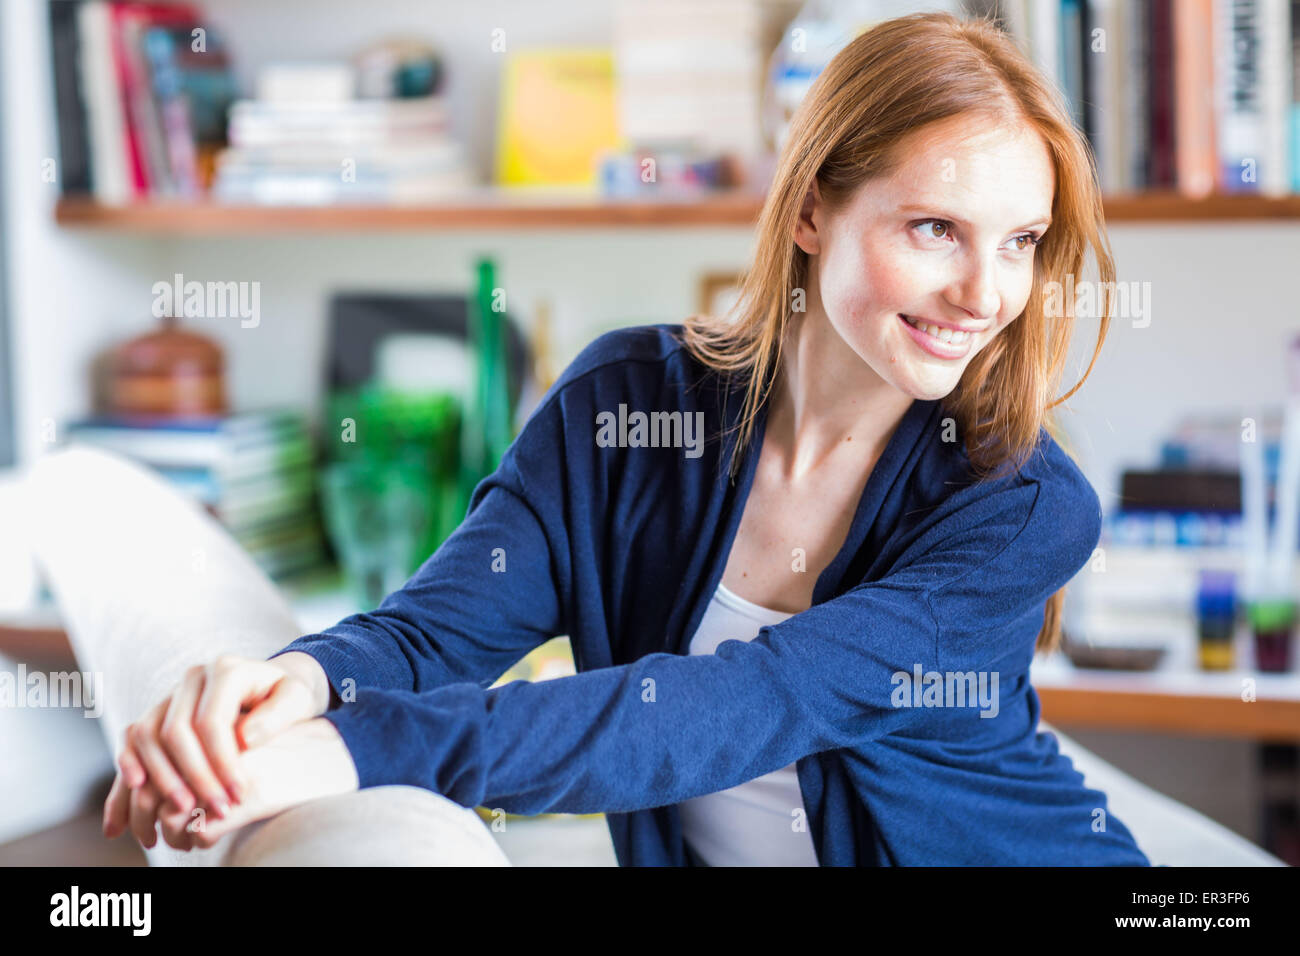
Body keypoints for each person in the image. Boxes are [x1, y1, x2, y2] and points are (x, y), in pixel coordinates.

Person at [103, 11, 1148, 865]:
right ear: (811, 211)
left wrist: (343, 750)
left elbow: (742, 702)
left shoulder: (1021, 505)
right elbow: (432, 634)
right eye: (935, 228)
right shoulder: (620, 406)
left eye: (1020, 242)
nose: (984, 293)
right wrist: (300, 683)